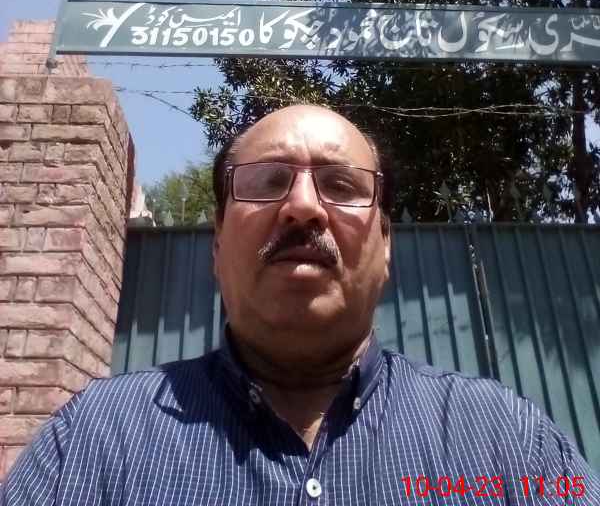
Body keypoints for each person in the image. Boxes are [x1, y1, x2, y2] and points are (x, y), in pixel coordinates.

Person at [2, 104, 598, 504]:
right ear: (217, 245)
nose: (304, 207)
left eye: (341, 185)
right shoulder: (93, 443)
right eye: (266, 182)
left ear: (386, 246)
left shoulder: (508, 441)